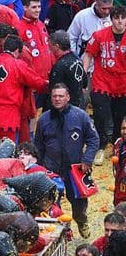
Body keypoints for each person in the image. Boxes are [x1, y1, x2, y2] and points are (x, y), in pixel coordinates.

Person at [34, 84, 100, 238]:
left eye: (60, 96)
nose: (57, 99)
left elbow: (93, 139)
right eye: (54, 96)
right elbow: (38, 146)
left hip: (75, 170)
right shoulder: (44, 119)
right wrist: (40, 168)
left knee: (79, 204)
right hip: (52, 170)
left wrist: (88, 159)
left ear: (68, 97)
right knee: (50, 205)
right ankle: (58, 236)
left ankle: (81, 221)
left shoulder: (81, 116)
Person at [83, 4, 126, 164]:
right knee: (100, 115)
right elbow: (88, 55)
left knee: (119, 117)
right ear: (111, 19)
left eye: (123, 18)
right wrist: (83, 75)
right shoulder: (99, 35)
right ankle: (100, 146)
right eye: (116, 18)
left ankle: (117, 144)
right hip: (103, 81)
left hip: (123, 84)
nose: (120, 22)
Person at [48, 31, 88, 109]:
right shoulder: (76, 59)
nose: (49, 47)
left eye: (50, 45)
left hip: (66, 110)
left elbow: (54, 91)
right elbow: (84, 82)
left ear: (56, 46)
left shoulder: (59, 66)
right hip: (79, 107)